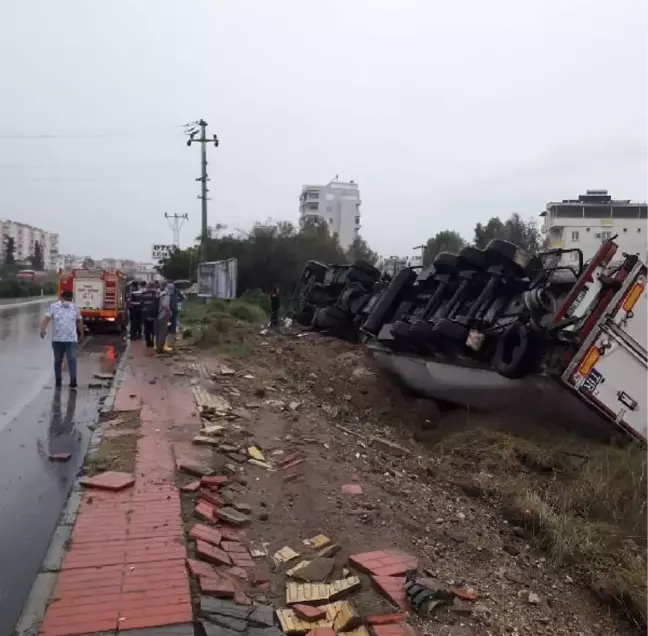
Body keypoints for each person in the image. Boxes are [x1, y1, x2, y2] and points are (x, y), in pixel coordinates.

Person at [40, 290, 83, 389]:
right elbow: (46, 319)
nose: (68, 301)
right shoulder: (54, 307)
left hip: (71, 339)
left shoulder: (75, 308)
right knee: (58, 360)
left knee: (72, 359)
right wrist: (42, 329)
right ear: (61, 298)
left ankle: (73, 380)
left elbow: (79, 321)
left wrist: (81, 334)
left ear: (72, 299)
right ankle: (58, 380)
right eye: (66, 299)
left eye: (69, 299)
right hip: (57, 339)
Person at [140, 281, 160, 348]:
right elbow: (158, 303)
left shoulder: (143, 293)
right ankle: (153, 342)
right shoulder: (156, 294)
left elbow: (141, 303)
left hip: (146, 314)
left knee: (147, 328)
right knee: (154, 329)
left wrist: (144, 308)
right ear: (154, 286)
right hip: (154, 314)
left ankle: (148, 342)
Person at [155, 282, 173, 354]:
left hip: (155, 315)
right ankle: (160, 349)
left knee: (157, 333)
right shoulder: (166, 295)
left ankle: (157, 347)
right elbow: (166, 305)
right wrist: (169, 312)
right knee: (163, 332)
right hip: (162, 315)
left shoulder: (158, 293)